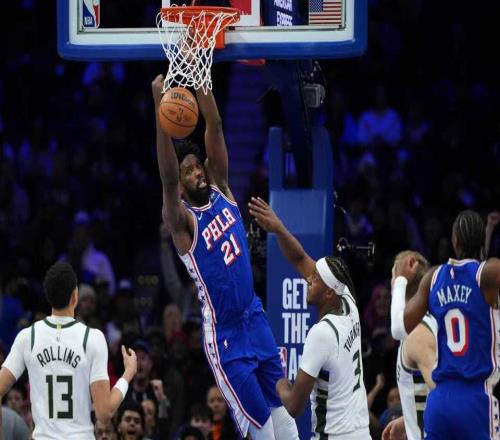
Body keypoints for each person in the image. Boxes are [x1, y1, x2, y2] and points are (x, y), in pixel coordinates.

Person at [151, 74, 298, 440]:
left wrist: (200, 76)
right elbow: (167, 178)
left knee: (286, 420)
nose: (196, 173)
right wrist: (159, 106)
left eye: (197, 166)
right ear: (182, 185)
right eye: (188, 171)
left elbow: (214, 125)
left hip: (254, 316)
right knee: (263, 431)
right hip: (226, 336)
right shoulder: (183, 222)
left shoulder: (222, 188)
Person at [248, 197, 371, 439]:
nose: (308, 280)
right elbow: (299, 258)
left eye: (315, 279)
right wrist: (278, 228)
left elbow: (294, 406)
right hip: (360, 433)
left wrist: (278, 381)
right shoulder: (348, 302)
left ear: (328, 293)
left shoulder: (322, 333)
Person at [391, 210, 500, 439]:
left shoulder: (434, 276)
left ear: (454, 240)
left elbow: (398, 328)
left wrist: (400, 279)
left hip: (439, 403)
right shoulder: (488, 274)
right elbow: (480, 270)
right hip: (475, 398)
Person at [0, 262, 137, 439]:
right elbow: (104, 413)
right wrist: (128, 374)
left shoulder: (28, 337)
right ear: (75, 296)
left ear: (48, 296)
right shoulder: (92, 338)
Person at [388, 250, 437, 440]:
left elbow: (444, 394)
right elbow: (425, 392)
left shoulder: (418, 333)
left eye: (394, 276)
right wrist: (408, 420)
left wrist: (400, 280)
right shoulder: (420, 326)